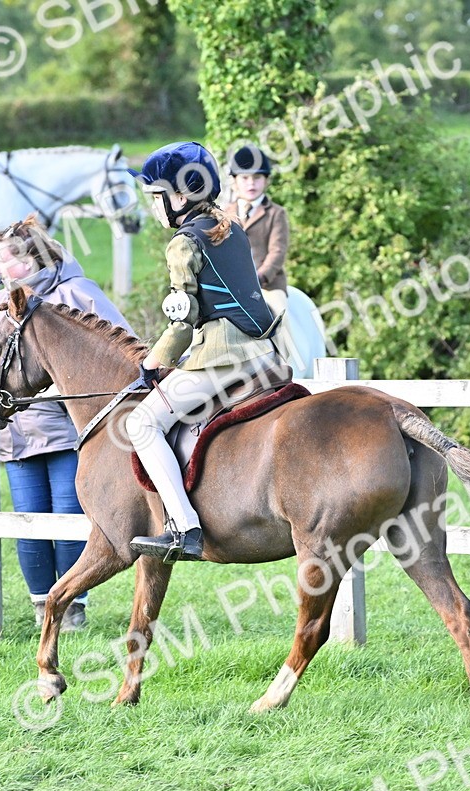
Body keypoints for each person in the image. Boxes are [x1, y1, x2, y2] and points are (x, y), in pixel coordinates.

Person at [126, 141, 282, 562]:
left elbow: (182, 320)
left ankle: (184, 528)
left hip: (222, 356)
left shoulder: (182, 243)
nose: (153, 207)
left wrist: (153, 361)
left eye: (155, 197)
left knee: (141, 424)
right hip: (265, 350)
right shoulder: (230, 225)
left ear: (181, 195)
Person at [0, 214, 133, 630]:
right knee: (28, 521)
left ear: (32, 259)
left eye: (5, 261)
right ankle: (40, 611)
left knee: (69, 519)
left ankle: (73, 609)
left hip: (71, 431)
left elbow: (123, 349)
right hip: (18, 433)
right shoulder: (2, 304)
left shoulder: (78, 293)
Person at [221, 146, 290, 317]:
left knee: (281, 318)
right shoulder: (224, 214)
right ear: (234, 181)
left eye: (257, 178)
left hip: (268, 286)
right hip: (231, 286)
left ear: (266, 180)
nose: (251, 183)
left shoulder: (276, 213)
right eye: (245, 178)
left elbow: (277, 252)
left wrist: (258, 278)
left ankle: (289, 345)